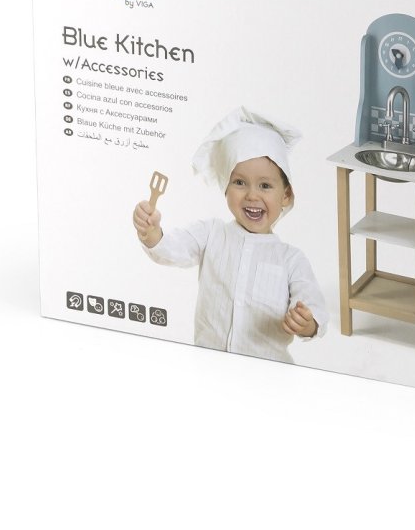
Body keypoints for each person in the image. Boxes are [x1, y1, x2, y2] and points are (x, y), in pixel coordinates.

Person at [132, 107, 327, 363]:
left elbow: (312, 303)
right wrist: (151, 233)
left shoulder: (291, 259)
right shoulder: (211, 233)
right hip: (209, 369)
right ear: (225, 187)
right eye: (239, 182)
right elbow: (172, 249)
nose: (252, 195)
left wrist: (307, 323)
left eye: (265, 185)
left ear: (286, 195)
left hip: (267, 376)